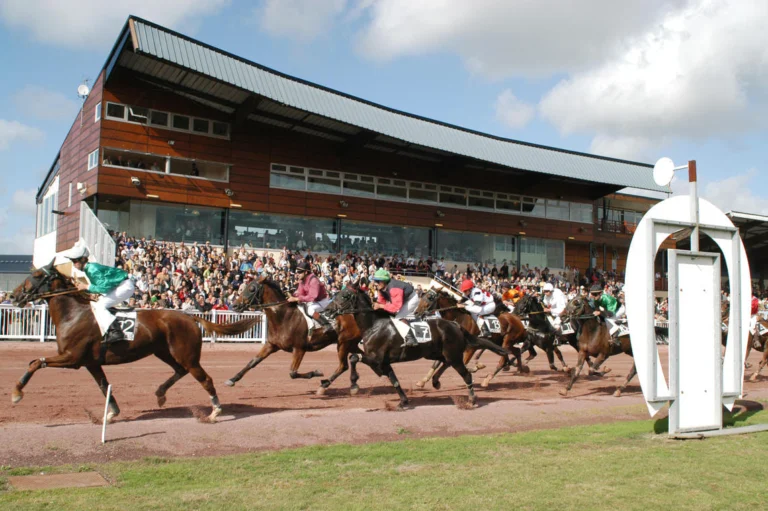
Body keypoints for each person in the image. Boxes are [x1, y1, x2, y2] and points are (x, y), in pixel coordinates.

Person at [60, 240, 135, 342]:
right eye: (72, 261)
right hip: (120, 285)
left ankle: (116, 332)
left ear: (82, 259)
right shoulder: (89, 268)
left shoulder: (91, 269)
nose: (73, 264)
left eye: (75, 261)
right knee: (97, 304)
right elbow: (102, 286)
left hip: (124, 286)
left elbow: (104, 287)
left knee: (100, 306)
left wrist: (86, 287)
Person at [371, 268, 419, 347]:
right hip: (401, 300)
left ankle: (411, 339)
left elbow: (395, 307)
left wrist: (380, 306)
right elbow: (382, 303)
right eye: (375, 281)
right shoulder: (381, 289)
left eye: (377, 281)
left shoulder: (394, 288)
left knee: (398, 317)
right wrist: (376, 306)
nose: (375, 283)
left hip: (411, 299)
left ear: (384, 281)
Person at [288, 261, 331, 330]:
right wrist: (292, 295)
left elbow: (312, 296)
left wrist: (296, 299)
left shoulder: (314, 280)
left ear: (306, 272)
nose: (297, 274)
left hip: (323, 301)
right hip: (314, 301)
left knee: (310, 310)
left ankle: (326, 325)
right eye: (297, 272)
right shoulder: (302, 281)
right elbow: (300, 293)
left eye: (300, 272)